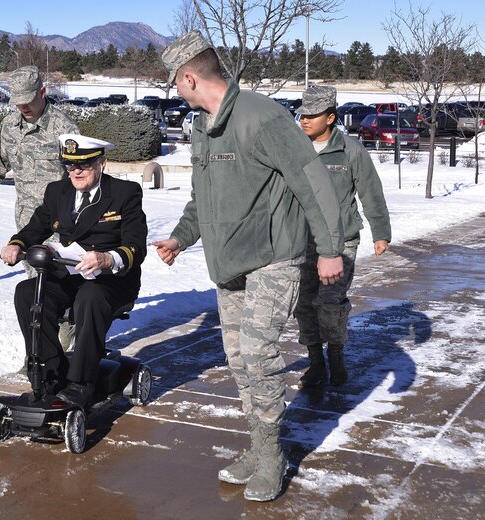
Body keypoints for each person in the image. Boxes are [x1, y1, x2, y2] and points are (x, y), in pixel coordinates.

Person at [152, 31, 345, 502]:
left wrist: (329, 248)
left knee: (258, 354)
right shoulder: (200, 127)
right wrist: (181, 236)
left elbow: (313, 182)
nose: (177, 93)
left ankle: (273, 454)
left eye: (176, 85)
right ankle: (259, 448)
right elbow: (204, 198)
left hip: (275, 257)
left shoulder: (262, 118)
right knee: (239, 360)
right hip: (229, 262)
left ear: (190, 77)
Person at [0, 134, 147, 407]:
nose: (75, 172)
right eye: (69, 165)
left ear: (102, 162)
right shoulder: (58, 191)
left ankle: (81, 383)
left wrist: (107, 258)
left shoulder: (125, 193)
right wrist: (16, 244)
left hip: (112, 279)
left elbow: (136, 246)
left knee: (89, 298)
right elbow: (37, 226)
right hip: (71, 273)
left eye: (84, 165)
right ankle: (47, 376)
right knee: (27, 292)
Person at [294, 86, 391, 388]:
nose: (304, 120)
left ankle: (336, 355)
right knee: (304, 303)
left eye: (312, 115)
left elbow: (370, 191)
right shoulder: (293, 148)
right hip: (301, 239)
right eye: (302, 114)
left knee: (331, 301)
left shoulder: (350, 149)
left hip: (341, 240)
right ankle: (315, 362)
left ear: (331, 117)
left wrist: (381, 231)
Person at [0, 65, 79, 263]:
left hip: (60, 225)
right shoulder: (9, 126)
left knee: (60, 285)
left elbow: (80, 176)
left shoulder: (64, 128)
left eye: (27, 100)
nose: (22, 106)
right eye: (17, 102)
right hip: (27, 225)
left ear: (42, 92)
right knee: (34, 283)